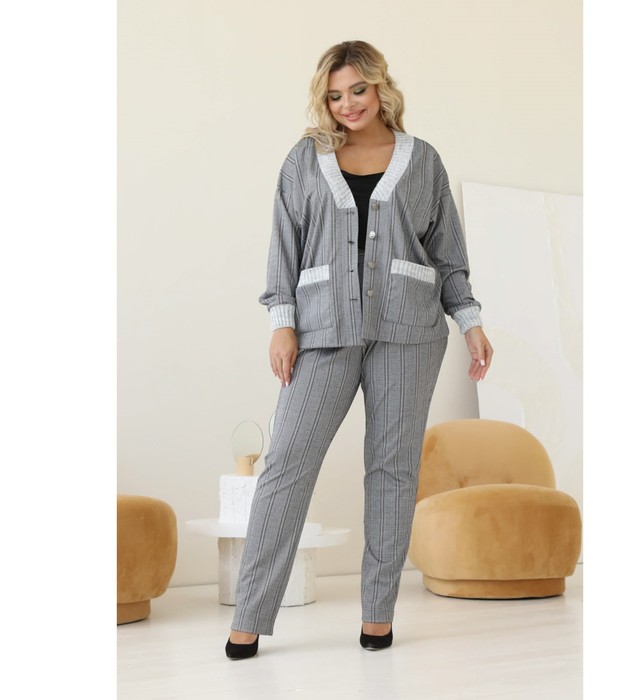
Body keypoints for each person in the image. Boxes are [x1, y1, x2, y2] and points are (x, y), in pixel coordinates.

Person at [226, 40, 493, 660]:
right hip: (322, 328)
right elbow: (283, 248)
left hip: (409, 330)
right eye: (335, 95)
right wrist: (282, 322)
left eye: (358, 90)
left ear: (380, 88)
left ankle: (378, 615)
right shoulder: (304, 159)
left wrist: (471, 321)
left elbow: (448, 255)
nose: (347, 104)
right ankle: (249, 617)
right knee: (286, 465)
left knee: (393, 470)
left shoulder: (422, 161)